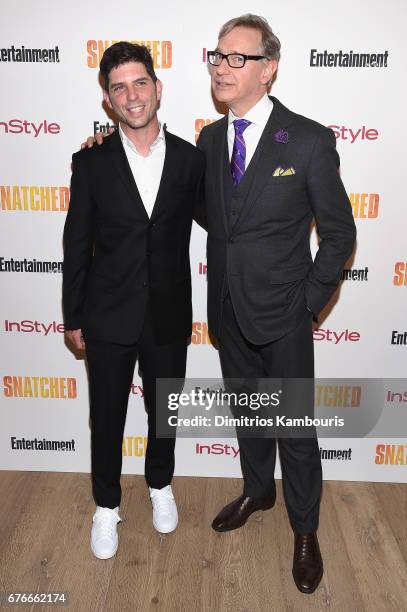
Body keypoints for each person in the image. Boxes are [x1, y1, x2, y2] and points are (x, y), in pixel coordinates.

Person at [196, 14, 356, 594]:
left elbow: (339, 234)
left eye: (237, 57)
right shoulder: (212, 139)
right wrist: (106, 150)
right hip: (227, 309)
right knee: (250, 416)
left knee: (294, 427)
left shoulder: (308, 140)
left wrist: (306, 304)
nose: (222, 66)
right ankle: (259, 491)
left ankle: (306, 530)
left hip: (284, 315)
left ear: (269, 69)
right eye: (217, 55)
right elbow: (213, 216)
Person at [63, 41, 205, 560]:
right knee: (106, 415)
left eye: (139, 82)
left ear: (157, 88)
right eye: (119, 87)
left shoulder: (193, 160)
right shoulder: (91, 161)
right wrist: (72, 314)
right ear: (108, 100)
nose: (131, 94)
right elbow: (76, 242)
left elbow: (224, 220)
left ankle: (160, 485)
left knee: (164, 411)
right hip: (107, 314)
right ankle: (106, 505)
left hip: (168, 312)